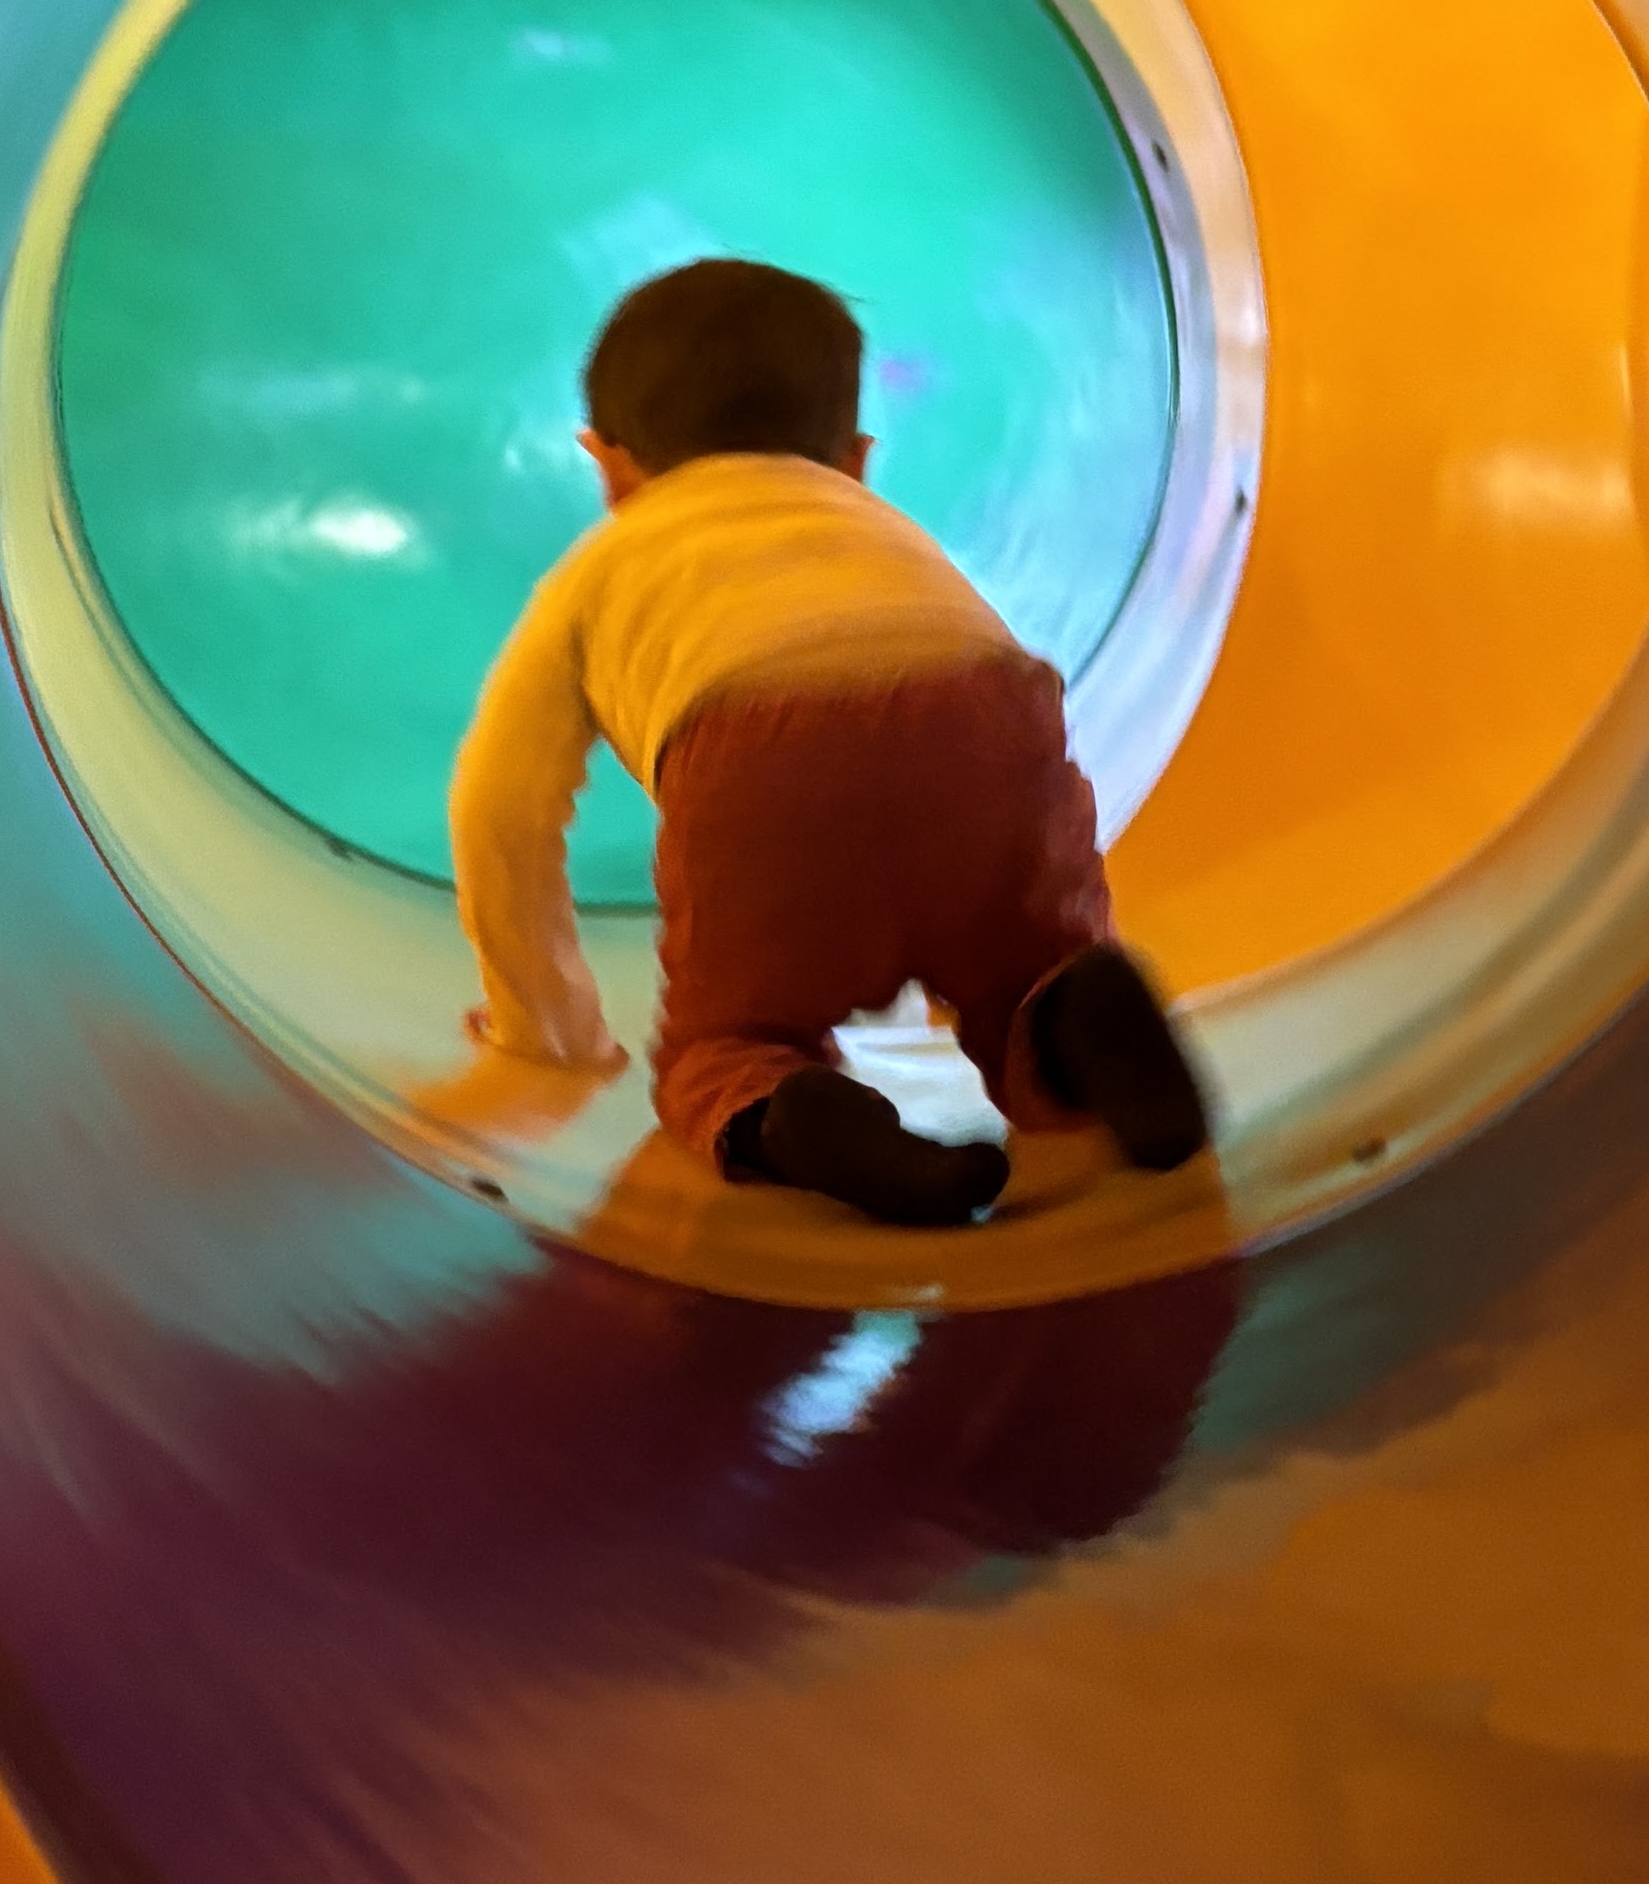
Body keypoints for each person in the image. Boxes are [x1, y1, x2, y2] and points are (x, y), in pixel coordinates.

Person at [449, 255, 1211, 1229]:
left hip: (762, 757)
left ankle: (792, 1112)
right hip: (990, 715)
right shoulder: (881, 528)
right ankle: (1070, 1012)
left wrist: (545, 1028)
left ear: (608, 465)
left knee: (722, 1049)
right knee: (1022, 959)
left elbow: (500, 811)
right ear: (855, 456)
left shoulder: (600, 566)